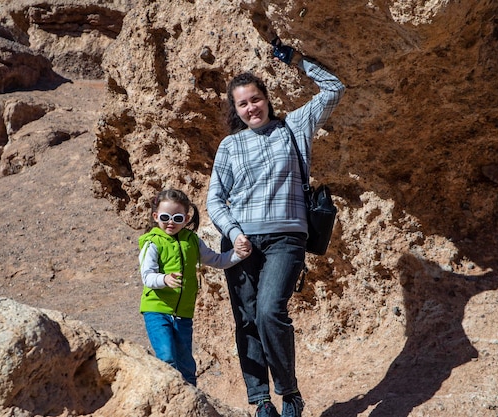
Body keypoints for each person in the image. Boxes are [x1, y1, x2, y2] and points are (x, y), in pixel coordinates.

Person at [206, 38, 346, 417]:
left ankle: (290, 394)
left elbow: (335, 89)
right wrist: (234, 234)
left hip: (288, 237)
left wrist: (296, 60)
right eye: (243, 103)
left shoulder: (295, 127)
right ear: (235, 109)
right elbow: (215, 200)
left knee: (270, 310)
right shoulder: (230, 145)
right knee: (247, 319)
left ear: (266, 98)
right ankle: (260, 401)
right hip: (242, 242)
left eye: (255, 99)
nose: (251, 107)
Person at [139, 188, 251, 386]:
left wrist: (238, 255)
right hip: (156, 310)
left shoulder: (192, 241)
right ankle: (170, 398)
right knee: (167, 358)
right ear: (156, 216)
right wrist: (164, 279)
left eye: (177, 217)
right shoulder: (152, 242)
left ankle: (191, 398)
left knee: (187, 364)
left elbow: (217, 260)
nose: (171, 222)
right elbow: (147, 276)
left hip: (183, 313)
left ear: (187, 218)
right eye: (165, 217)